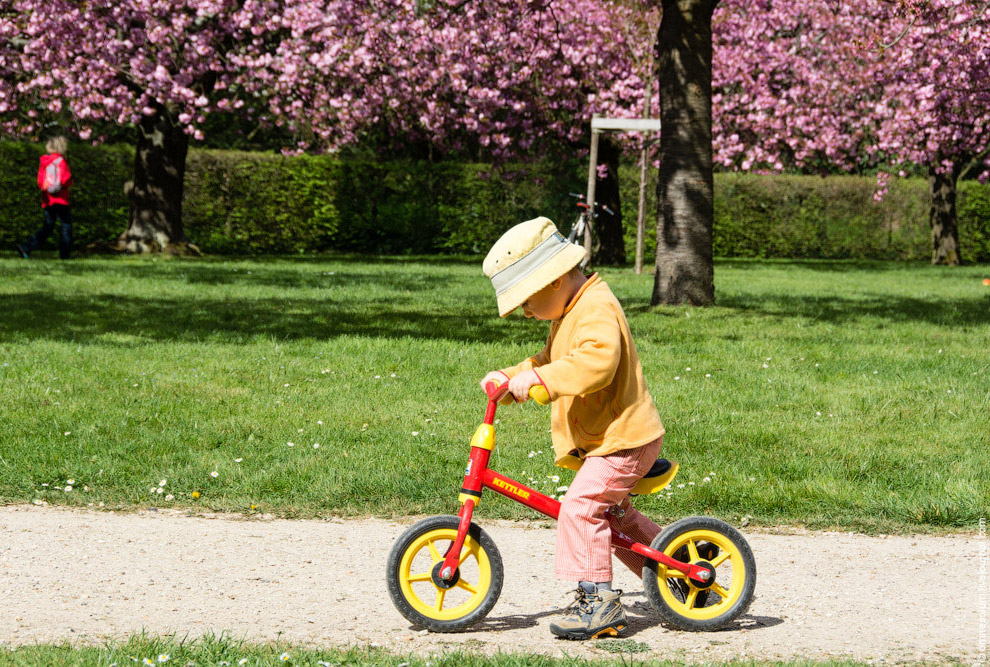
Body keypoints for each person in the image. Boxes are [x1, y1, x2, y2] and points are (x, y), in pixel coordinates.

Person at [479, 216, 666, 640]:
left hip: (626, 437)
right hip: (609, 439)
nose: (525, 312)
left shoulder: (595, 307)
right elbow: (550, 360)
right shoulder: (567, 311)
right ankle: (677, 571)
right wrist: (514, 377)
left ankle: (599, 603)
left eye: (525, 301)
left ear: (553, 280)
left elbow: (596, 362)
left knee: (581, 509)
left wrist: (543, 383)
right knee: (615, 521)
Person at [17, 136, 73, 259]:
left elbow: (40, 182)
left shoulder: (44, 162)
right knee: (66, 225)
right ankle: (65, 254)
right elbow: (66, 179)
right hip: (61, 199)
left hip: (47, 199)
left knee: (48, 226)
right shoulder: (61, 161)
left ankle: (27, 246)